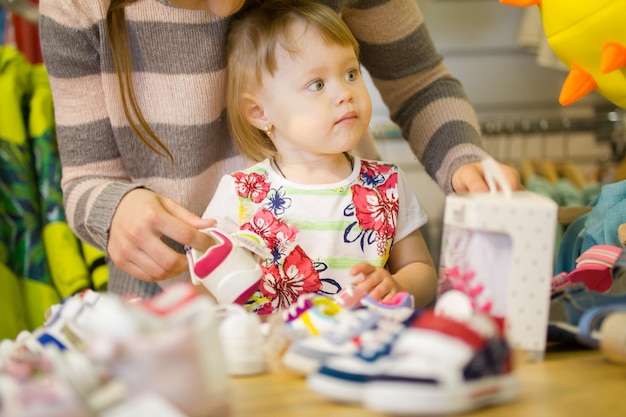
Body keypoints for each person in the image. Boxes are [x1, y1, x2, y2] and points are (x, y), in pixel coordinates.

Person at [39, 0, 521, 299]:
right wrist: (114, 208)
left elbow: (419, 81)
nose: (228, 6)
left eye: (350, 74)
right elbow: (85, 180)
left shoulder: (384, 191)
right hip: (173, 317)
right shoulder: (77, 7)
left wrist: (464, 160)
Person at [189, 0, 438, 314]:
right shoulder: (240, 193)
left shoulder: (385, 185)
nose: (345, 93)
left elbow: (423, 271)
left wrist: (399, 286)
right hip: (273, 359)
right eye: (317, 84)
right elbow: (205, 287)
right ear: (259, 112)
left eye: (350, 73)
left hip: (360, 353)